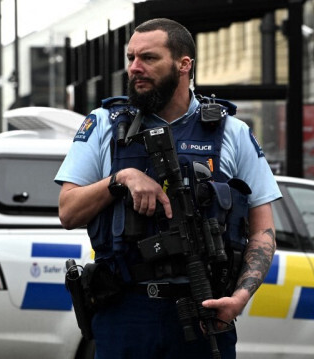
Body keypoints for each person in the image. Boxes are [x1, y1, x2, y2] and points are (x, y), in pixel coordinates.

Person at [56, 18, 281, 359]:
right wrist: (122, 179)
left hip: (202, 310)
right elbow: (68, 210)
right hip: (125, 312)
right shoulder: (104, 124)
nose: (134, 68)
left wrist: (240, 298)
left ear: (184, 64)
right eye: (131, 57)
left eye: (148, 58)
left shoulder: (231, 132)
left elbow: (263, 230)